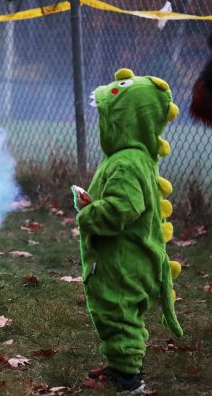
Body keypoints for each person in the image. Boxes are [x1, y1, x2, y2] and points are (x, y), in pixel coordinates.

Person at [73, 68, 183, 394]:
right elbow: (126, 201)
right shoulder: (135, 157)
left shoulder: (125, 162)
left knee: (117, 313)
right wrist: (95, 201)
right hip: (130, 255)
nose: (102, 124)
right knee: (119, 314)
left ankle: (127, 378)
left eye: (108, 116)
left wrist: (87, 215)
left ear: (126, 119)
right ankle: (119, 365)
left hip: (123, 259)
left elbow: (123, 208)